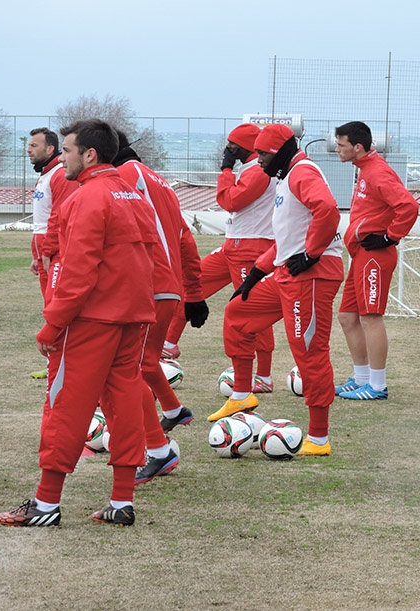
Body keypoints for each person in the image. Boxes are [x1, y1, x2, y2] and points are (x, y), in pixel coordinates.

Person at [0, 119, 158, 527]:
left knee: (65, 403)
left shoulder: (88, 196)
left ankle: (45, 504)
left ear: (90, 154)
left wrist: (53, 323)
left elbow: (77, 269)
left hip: (93, 319)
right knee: (124, 403)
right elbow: (150, 255)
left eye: (66, 150)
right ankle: (122, 500)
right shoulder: (133, 194)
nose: (62, 158)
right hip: (134, 315)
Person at [213, 123, 343, 457]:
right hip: (287, 273)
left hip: (310, 277)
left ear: (281, 151)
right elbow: (287, 237)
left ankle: (319, 438)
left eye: (264, 155)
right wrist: (256, 273)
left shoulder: (303, 172)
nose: (259, 161)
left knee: (309, 351)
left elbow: (328, 210)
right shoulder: (287, 177)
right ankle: (242, 395)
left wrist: (311, 253)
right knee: (238, 313)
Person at [112, 131, 207, 485]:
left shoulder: (124, 176)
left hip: (147, 285)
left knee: (127, 369)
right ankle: (173, 410)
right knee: (144, 362)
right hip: (166, 287)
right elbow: (185, 238)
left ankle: (157, 448)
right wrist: (193, 293)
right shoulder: (161, 183)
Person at [163, 124, 277, 392]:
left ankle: (264, 376)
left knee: (251, 308)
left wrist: (225, 171)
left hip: (251, 248)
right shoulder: (251, 168)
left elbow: (230, 201)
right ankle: (168, 346)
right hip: (233, 246)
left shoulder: (259, 171)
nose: (228, 149)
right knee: (190, 287)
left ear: (245, 146)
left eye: (232, 144)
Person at [333, 121, 419, 401]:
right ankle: (361, 378)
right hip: (360, 254)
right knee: (347, 317)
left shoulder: (378, 171)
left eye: (341, 145)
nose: (337, 149)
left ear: (357, 147)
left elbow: (408, 206)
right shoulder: (364, 169)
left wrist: (389, 237)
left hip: (375, 255)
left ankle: (378, 386)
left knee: (370, 317)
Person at [27, 128, 79, 299]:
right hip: (43, 250)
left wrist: (47, 252)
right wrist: (37, 256)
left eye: (34, 146)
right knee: (48, 302)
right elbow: (41, 219)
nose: (28, 150)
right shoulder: (45, 175)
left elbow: (59, 217)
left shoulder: (60, 175)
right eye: (29, 145)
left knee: (54, 302)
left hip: (54, 251)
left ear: (49, 149)